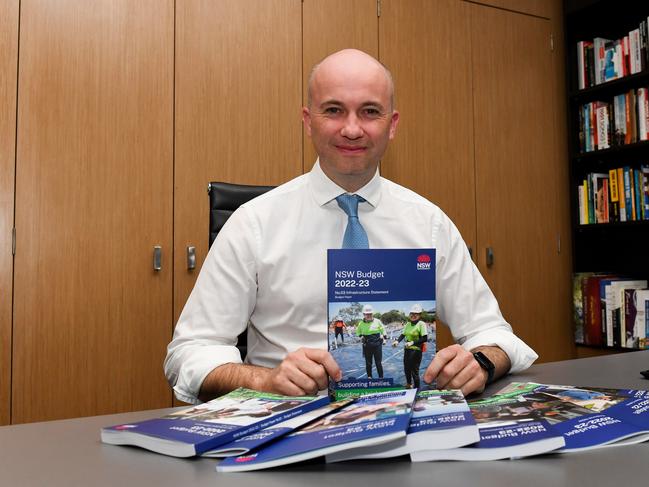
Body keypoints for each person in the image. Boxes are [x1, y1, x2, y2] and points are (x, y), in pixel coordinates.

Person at [164, 48, 538, 405]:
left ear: (392, 125)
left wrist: (481, 363)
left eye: (370, 111)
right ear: (309, 121)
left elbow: (495, 335)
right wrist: (266, 379)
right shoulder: (253, 223)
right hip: (291, 430)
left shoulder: (430, 223)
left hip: (409, 425)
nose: (353, 129)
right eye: (334, 110)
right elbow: (189, 354)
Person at [392, 304, 428, 389]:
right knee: (406, 368)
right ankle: (409, 384)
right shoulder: (408, 324)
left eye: (416, 314)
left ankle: (417, 388)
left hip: (416, 350)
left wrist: (412, 343)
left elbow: (425, 338)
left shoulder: (421, 324)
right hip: (407, 349)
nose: (413, 315)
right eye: (412, 313)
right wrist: (397, 341)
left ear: (419, 315)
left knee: (414, 371)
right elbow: (403, 334)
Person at [355, 305, 387, 379]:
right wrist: (361, 336)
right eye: (367, 314)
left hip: (377, 344)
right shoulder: (361, 323)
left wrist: (384, 338)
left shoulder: (377, 321)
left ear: (372, 314)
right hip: (367, 345)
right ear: (364, 314)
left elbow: (383, 330)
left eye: (370, 314)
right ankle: (369, 377)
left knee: (378, 363)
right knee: (368, 363)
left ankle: (381, 378)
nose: (369, 315)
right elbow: (358, 332)